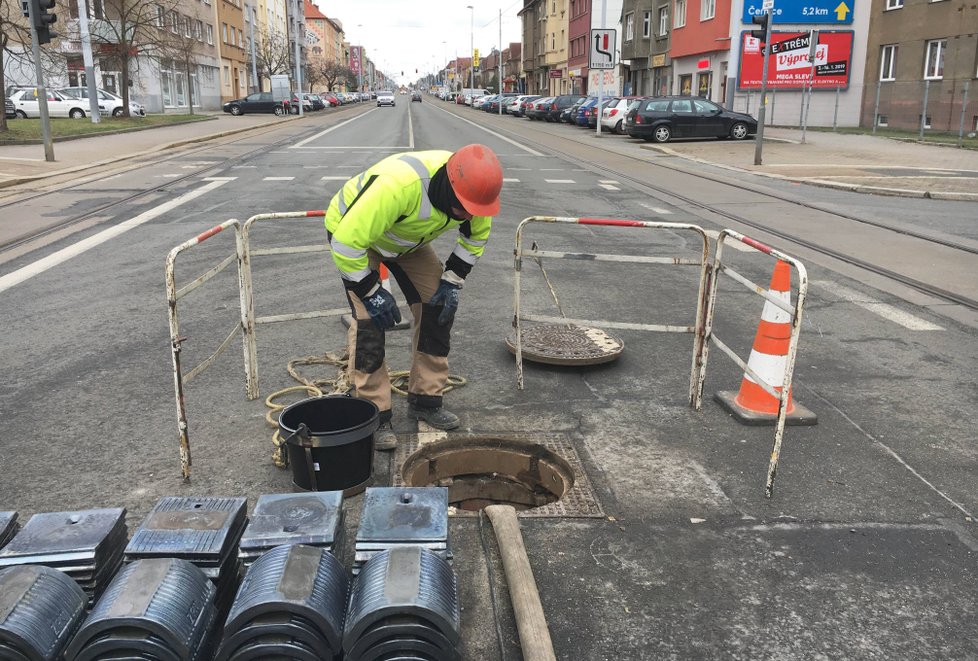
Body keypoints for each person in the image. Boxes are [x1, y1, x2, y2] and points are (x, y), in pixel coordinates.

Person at [323, 144, 503, 451]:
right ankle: (374, 414)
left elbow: (475, 239)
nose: (468, 215)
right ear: (449, 188)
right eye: (463, 209)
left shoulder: (475, 196)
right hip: (354, 239)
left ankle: (425, 399)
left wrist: (452, 281)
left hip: (407, 243)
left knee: (438, 308)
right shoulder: (398, 186)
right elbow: (345, 245)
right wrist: (370, 291)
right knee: (369, 323)